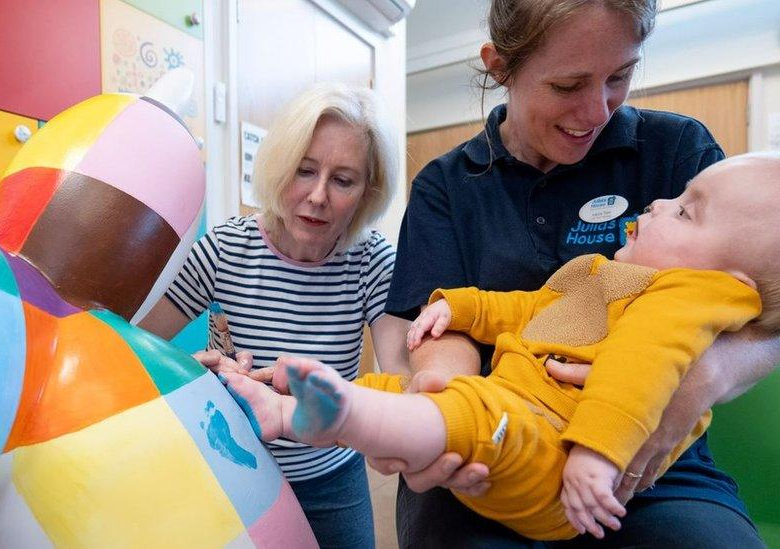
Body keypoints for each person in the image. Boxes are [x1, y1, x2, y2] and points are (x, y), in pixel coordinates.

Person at [380, 0, 780, 546]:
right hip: (501, 428)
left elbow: (762, 303)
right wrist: (449, 408)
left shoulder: (678, 151)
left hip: (652, 458)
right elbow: (440, 324)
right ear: (499, 66)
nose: (598, 111)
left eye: (620, 75)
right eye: (568, 86)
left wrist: (688, 384)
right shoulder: (446, 187)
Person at [220, 153, 780, 542]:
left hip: (561, 455)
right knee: (399, 391)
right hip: (519, 406)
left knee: (467, 413)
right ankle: (288, 409)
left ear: (733, 282)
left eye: (684, 211)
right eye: (566, 85)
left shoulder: (689, 295)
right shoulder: (603, 274)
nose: (658, 203)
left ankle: (340, 412)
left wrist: (596, 456)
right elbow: (525, 308)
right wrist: (459, 307)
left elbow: (643, 367)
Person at [139, 82, 409, 548]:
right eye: (305, 171)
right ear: (280, 165)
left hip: (331, 475)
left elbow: (403, 381)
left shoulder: (372, 262)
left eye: (343, 180)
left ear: (368, 191)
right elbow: (135, 345)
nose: (318, 196)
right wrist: (192, 373)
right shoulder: (226, 249)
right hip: (235, 469)